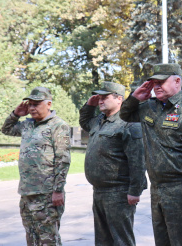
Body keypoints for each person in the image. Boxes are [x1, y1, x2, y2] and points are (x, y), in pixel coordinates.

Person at [119, 63, 182, 246]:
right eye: (154, 82)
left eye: (161, 82)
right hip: (158, 188)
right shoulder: (150, 107)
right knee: (162, 241)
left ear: (177, 81)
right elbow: (124, 115)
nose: (156, 86)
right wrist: (134, 98)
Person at [1, 86, 71, 245]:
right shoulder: (27, 125)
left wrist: (58, 190)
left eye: (36, 104)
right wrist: (15, 114)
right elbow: (6, 129)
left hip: (46, 194)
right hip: (27, 192)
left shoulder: (58, 126)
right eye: (30, 104)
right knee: (31, 238)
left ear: (49, 104)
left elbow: (63, 159)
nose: (32, 108)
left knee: (48, 240)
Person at [79, 82, 147, 246]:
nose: (100, 101)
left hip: (119, 192)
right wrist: (89, 105)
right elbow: (84, 121)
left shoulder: (128, 123)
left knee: (121, 240)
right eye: (99, 97)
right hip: (100, 191)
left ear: (119, 99)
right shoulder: (99, 120)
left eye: (105, 97)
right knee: (102, 240)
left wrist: (135, 191)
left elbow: (138, 160)